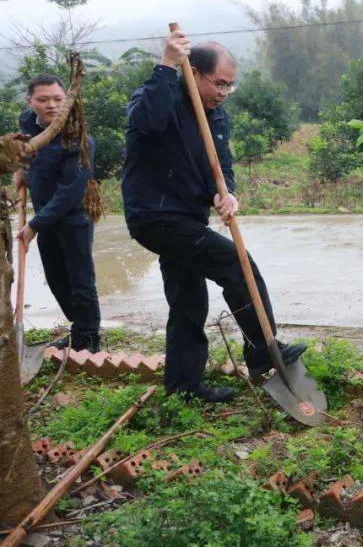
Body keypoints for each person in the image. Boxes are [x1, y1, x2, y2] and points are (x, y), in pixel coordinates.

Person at [121, 28, 305, 403]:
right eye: (218, 83)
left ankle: (182, 388)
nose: (223, 92)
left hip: (189, 219)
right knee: (238, 265)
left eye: (230, 86)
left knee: (188, 301)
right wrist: (167, 64)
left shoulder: (216, 117)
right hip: (156, 216)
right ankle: (261, 349)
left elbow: (221, 167)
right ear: (194, 73)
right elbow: (144, 123)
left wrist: (227, 195)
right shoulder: (163, 97)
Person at [14, 75, 101, 352]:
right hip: (44, 214)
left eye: (58, 99)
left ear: (68, 101)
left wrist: (34, 225)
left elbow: (69, 192)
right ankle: (80, 328)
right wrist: (22, 167)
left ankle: (89, 340)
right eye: (43, 99)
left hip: (74, 216)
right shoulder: (27, 122)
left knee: (80, 279)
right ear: (31, 102)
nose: (51, 105)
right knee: (55, 278)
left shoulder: (79, 139)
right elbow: (26, 149)